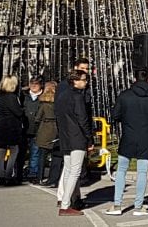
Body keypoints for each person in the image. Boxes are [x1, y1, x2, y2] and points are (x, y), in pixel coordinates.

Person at [106, 69, 148, 216]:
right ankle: (138, 206)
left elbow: (115, 115)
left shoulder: (125, 95)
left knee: (121, 170)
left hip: (128, 136)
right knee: (142, 172)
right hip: (147, 137)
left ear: (134, 78)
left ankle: (117, 204)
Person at [55, 69, 92, 216]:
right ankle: (65, 205)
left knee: (69, 170)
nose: (86, 82)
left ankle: (66, 199)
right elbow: (83, 119)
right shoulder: (78, 97)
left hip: (65, 136)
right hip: (77, 137)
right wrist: (89, 138)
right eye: (83, 79)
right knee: (75, 171)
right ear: (75, 80)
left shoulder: (62, 96)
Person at [0, 75, 25, 186]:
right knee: (14, 150)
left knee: (1, 152)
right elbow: (18, 112)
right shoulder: (11, 97)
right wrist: (22, 109)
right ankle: (8, 175)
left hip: (1, 126)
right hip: (11, 127)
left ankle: (0, 176)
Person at [34, 82, 58, 185]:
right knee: (55, 156)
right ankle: (53, 177)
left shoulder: (43, 105)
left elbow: (37, 118)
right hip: (56, 129)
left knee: (42, 155)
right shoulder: (57, 104)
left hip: (45, 129)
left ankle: (40, 176)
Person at [23, 76, 44, 182]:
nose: (34, 85)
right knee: (21, 152)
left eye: (36, 83)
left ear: (41, 85)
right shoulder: (24, 96)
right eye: (32, 83)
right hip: (24, 129)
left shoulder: (44, 97)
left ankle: (33, 172)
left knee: (35, 152)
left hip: (37, 129)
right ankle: (19, 171)